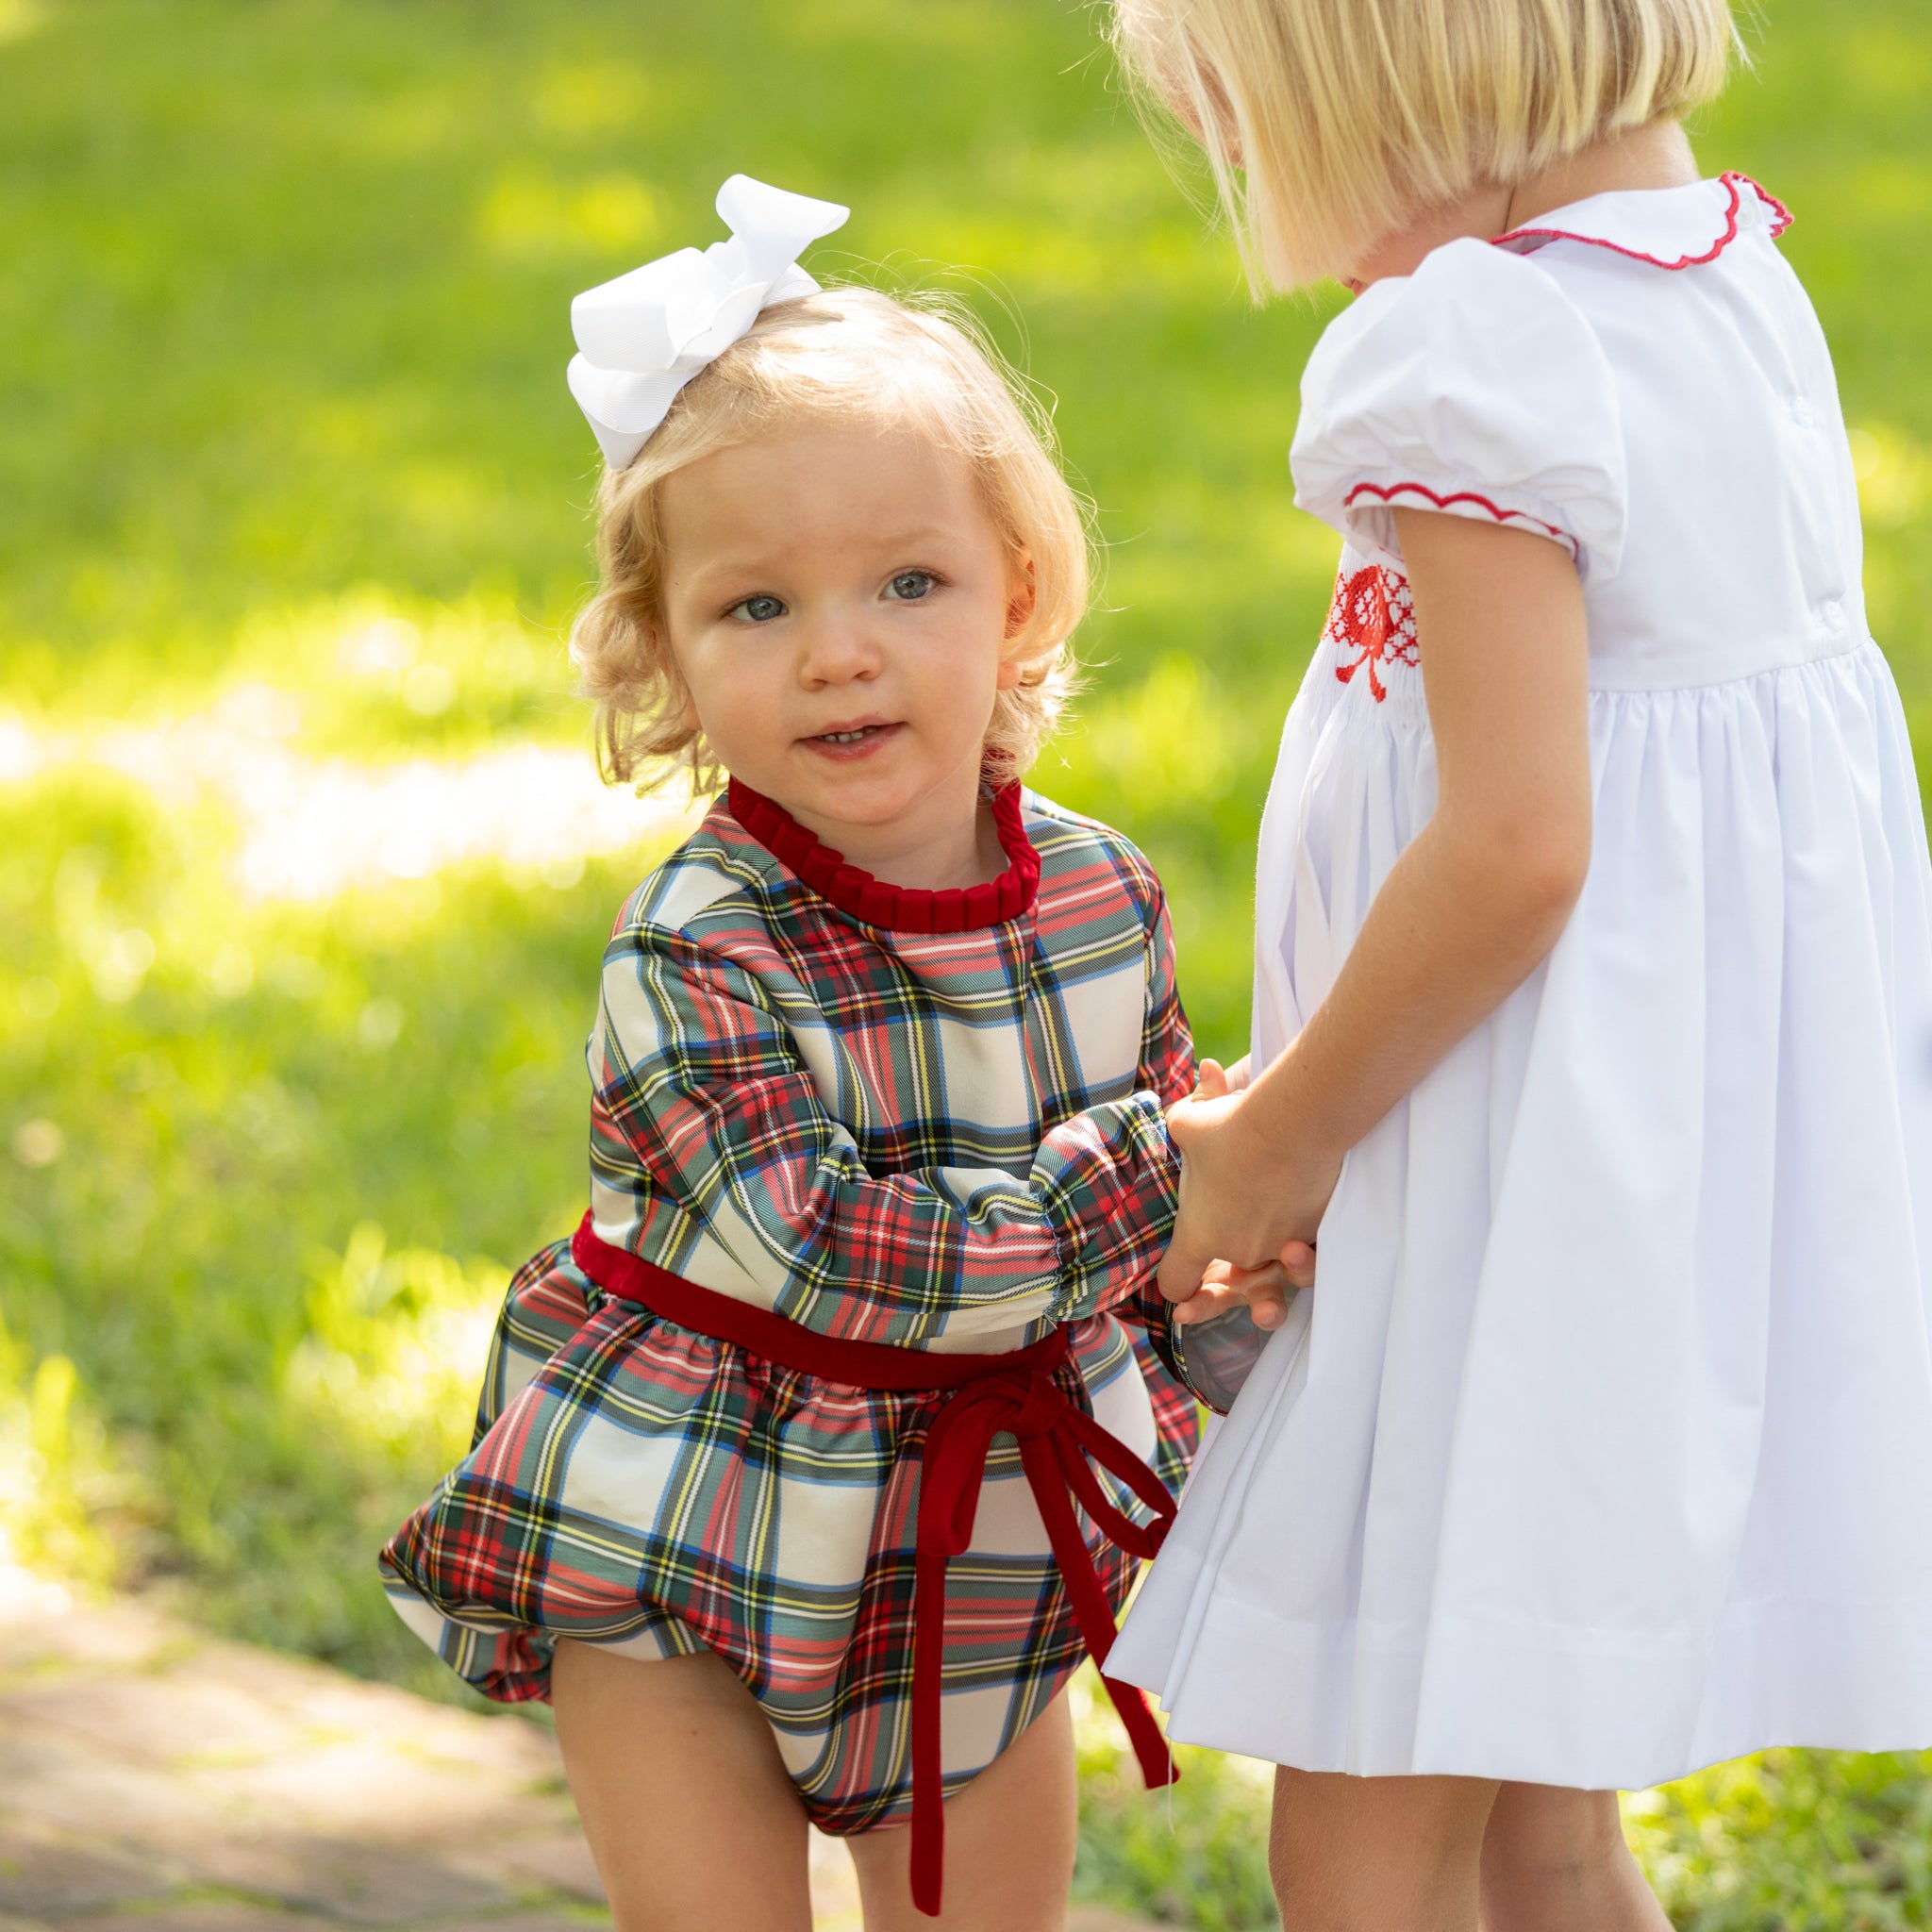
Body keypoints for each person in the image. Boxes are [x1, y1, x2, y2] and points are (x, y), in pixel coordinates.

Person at [1100, 2, 1932, 1928]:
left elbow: (1514, 843)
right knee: (1546, 1831)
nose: (1246, 187)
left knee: (1366, 1834)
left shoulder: (1473, 342)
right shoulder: (1727, 285)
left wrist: (1277, 1137)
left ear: (1369, 84)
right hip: (1646, 1189)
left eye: (1242, 126)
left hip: (1485, 1191)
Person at [379, 176, 1274, 1932]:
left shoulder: (1100, 895)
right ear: (666, 653)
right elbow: (830, 1251)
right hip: (687, 1530)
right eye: (756, 609)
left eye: (907, 581)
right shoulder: (696, 940)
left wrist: (1235, 1238)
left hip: (979, 1538)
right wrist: (1167, 1172)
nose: (840, 650)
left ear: (1016, 595)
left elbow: (1172, 1211)